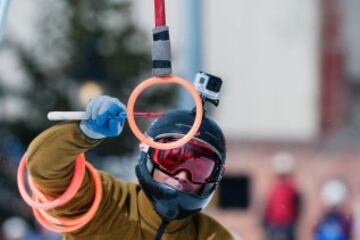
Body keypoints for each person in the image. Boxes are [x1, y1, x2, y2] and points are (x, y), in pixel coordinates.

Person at [26, 95, 235, 240]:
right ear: (149, 154)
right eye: (172, 158)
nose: (182, 175)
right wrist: (84, 132)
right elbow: (44, 168)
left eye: (199, 168)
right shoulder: (103, 202)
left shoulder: (211, 236)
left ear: (215, 177)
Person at [263, 152, 302, 240]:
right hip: (282, 225)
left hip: (280, 225)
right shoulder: (290, 189)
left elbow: (267, 208)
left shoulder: (275, 189)